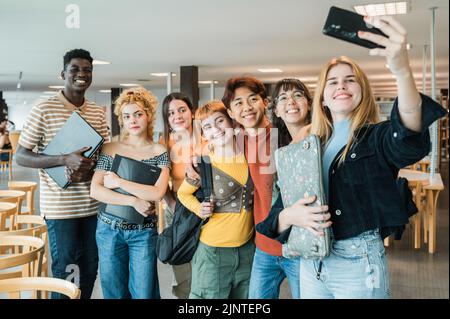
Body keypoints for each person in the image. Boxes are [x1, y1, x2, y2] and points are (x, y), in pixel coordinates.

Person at [258, 16, 447, 299]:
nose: (341, 85)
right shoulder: (309, 148)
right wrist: (289, 215)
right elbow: (278, 214)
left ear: (362, 91)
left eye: (350, 80)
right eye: (332, 82)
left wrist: (402, 70)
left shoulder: (376, 137)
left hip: (358, 264)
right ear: (322, 97)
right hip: (312, 262)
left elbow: (408, 137)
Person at [15, 48, 110, 299]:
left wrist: (90, 168)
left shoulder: (98, 113)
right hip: (60, 209)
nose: (81, 74)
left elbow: (104, 157)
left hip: (92, 206)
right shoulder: (44, 109)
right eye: (75, 69)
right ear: (63, 74)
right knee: (65, 270)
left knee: (90, 267)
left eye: (87, 70)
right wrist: (63, 159)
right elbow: (21, 155)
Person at [222, 76, 301, 299]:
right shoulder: (235, 143)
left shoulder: (285, 136)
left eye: (253, 99)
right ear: (230, 112)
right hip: (264, 247)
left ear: (265, 102)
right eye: (238, 103)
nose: (247, 107)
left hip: (297, 246)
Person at [90, 87, 170, 299]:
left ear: (148, 116)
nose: (132, 120)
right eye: (126, 116)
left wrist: (118, 182)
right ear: (121, 120)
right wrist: (133, 200)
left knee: (144, 293)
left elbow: (157, 193)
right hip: (109, 229)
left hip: (143, 232)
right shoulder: (110, 149)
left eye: (138, 114)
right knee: (114, 292)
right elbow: (96, 189)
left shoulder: (158, 151)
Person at [177, 101, 255, 299]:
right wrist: (199, 208)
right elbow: (183, 194)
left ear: (232, 122)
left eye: (220, 121)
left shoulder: (250, 156)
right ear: (203, 133)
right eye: (208, 127)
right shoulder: (203, 163)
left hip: (247, 248)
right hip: (213, 251)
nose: (216, 129)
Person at [160, 92, 198, 298]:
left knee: (207, 267)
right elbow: (159, 180)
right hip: (179, 210)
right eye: (171, 113)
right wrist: (171, 204)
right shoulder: (165, 143)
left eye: (182, 110)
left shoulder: (207, 137)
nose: (177, 116)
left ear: (192, 112)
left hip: (207, 210)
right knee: (183, 272)